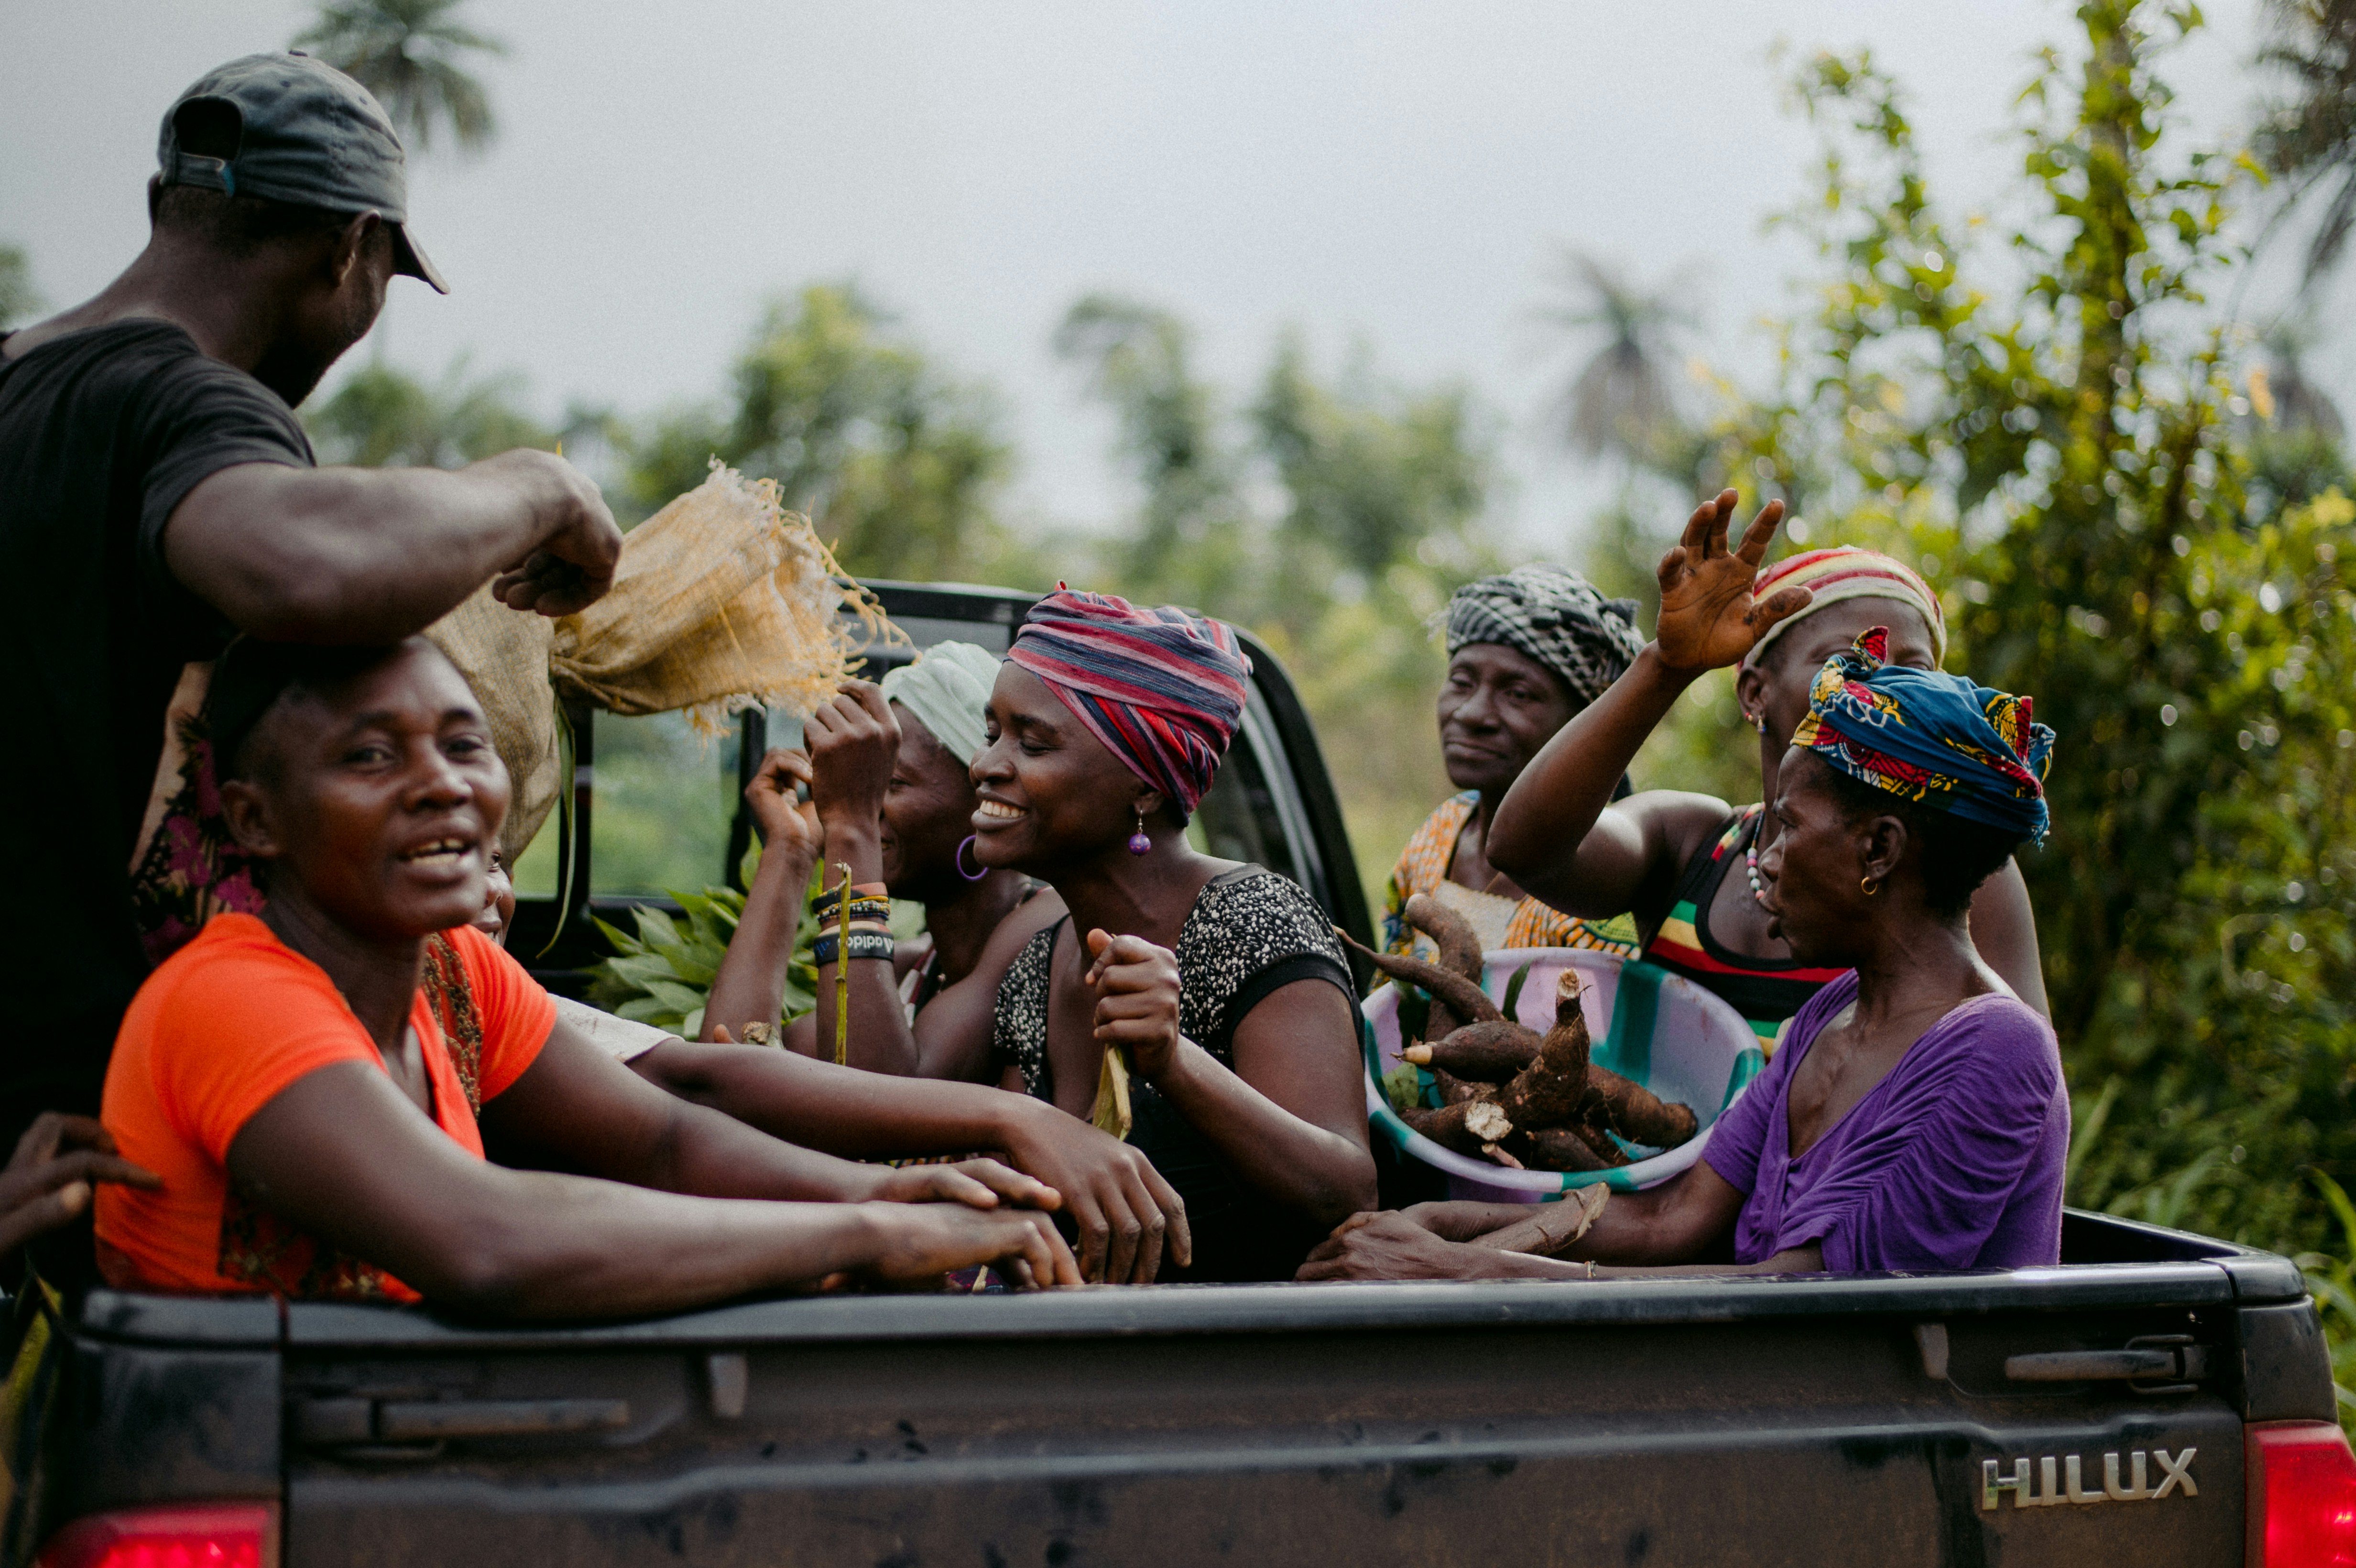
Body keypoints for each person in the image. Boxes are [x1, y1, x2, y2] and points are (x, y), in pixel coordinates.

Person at [0, 54, 622, 1171]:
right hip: (113, 1131)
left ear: (163, 207)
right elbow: (302, 567)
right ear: (349, 249)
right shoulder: (188, 403)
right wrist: (546, 486)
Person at [95, 638, 1076, 1315]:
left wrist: (887, 1195)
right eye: (368, 755)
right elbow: (487, 1242)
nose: (441, 781)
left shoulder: (452, 964)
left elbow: (666, 1117)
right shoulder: (234, 994)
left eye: (464, 742)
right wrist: (861, 1232)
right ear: (257, 819)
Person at [1301, 626, 2066, 1281]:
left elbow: (1812, 1304)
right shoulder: (1832, 1014)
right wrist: (1446, 1223)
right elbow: (1675, 1215)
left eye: (1788, 828)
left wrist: (1465, 1271)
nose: (1762, 860)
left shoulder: (1994, 1048)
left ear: (1878, 849)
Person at [469, 795, 1193, 1287]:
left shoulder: (1038, 932)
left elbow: (693, 1097)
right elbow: (725, 1070)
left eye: (495, 858)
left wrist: (884, 1201)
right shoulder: (909, 967)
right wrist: (814, 843)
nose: (483, 890)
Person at [1484, 492, 2049, 1058]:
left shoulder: (1957, 871)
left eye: (1913, 673)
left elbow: (2017, 1083)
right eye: (1847, 662)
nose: (1881, 693)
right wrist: (1664, 668)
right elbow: (1523, 849)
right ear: (1756, 691)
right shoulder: (1690, 845)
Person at [961, 589, 1378, 1282]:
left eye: (1031, 743)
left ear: (1146, 789)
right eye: (991, 734)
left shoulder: (1250, 922)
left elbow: (1346, 1193)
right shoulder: (1038, 966)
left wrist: (1172, 1059)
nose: (987, 766)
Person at [706, 642, 1066, 1076]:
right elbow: (725, 1075)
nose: (863, 803)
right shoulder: (906, 974)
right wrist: (791, 850)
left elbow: (870, 1103)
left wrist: (852, 827)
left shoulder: (1048, 927)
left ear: (986, 793)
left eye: (889, 783)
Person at [1386, 566, 1648, 959]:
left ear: (1587, 724)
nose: (1472, 713)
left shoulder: (1599, 889)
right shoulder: (1440, 834)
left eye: (1518, 694)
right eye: (1461, 681)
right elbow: (1390, 995)